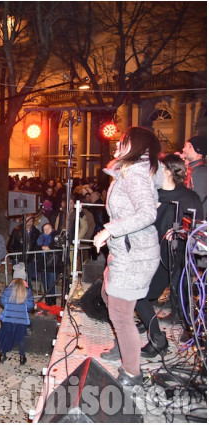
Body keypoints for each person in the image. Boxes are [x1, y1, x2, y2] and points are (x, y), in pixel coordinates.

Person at [93, 127, 162, 387]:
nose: (117, 143)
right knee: (107, 295)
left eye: (123, 141)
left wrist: (110, 229)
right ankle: (125, 346)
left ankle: (132, 372)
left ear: (135, 145)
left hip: (135, 254)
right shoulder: (128, 171)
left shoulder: (134, 173)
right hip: (124, 249)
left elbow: (147, 213)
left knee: (120, 313)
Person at [135, 154, 204, 357]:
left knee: (182, 296)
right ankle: (155, 333)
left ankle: (191, 331)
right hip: (153, 255)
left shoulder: (188, 197)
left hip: (178, 257)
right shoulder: (151, 194)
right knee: (140, 294)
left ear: (167, 170)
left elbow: (197, 229)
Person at [0, 263, 35, 365]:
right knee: (20, 338)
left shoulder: (8, 289)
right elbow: (30, 306)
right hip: (21, 319)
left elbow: (2, 301)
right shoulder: (27, 291)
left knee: (6, 336)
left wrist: (9, 306)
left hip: (8, 318)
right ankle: (22, 357)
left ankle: (3, 355)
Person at [36, 223, 63, 306]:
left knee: (51, 284)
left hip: (52, 264)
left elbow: (59, 246)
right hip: (43, 264)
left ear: (52, 228)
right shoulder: (40, 238)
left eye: (48, 228)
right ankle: (48, 303)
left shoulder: (56, 237)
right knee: (45, 284)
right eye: (45, 229)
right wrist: (41, 247)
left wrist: (49, 248)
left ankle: (53, 303)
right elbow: (35, 246)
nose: (47, 230)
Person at [181, 135, 206, 216]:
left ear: (199, 152)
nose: (184, 149)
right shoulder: (187, 170)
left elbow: (195, 202)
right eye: (185, 146)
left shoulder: (202, 173)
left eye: (189, 147)